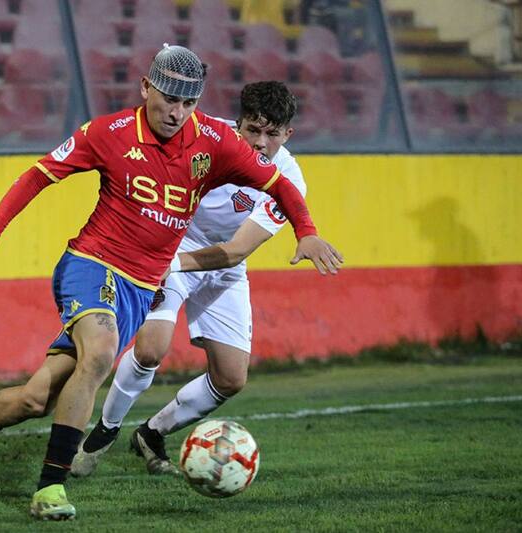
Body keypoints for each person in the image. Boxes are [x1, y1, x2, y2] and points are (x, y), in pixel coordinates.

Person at [0, 45, 342, 521]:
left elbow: (280, 185)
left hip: (142, 283)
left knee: (35, 399)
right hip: (92, 262)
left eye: (188, 103)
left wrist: (307, 232)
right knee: (100, 353)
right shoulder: (108, 133)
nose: (177, 113)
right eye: (168, 100)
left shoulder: (216, 141)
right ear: (145, 88)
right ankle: (51, 488)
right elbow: (39, 175)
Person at [71, 80, 337, 477]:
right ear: (237, 124)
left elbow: (237, 250)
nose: (261, 142)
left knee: (231, 378)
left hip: (221, 265)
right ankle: (104, 432)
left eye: (272, 134)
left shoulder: (289, 180)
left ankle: (151, 433)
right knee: (150, 350)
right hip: (172, 245)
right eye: (253, 129)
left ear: (288, 134)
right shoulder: (202, 137)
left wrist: (175, 266)